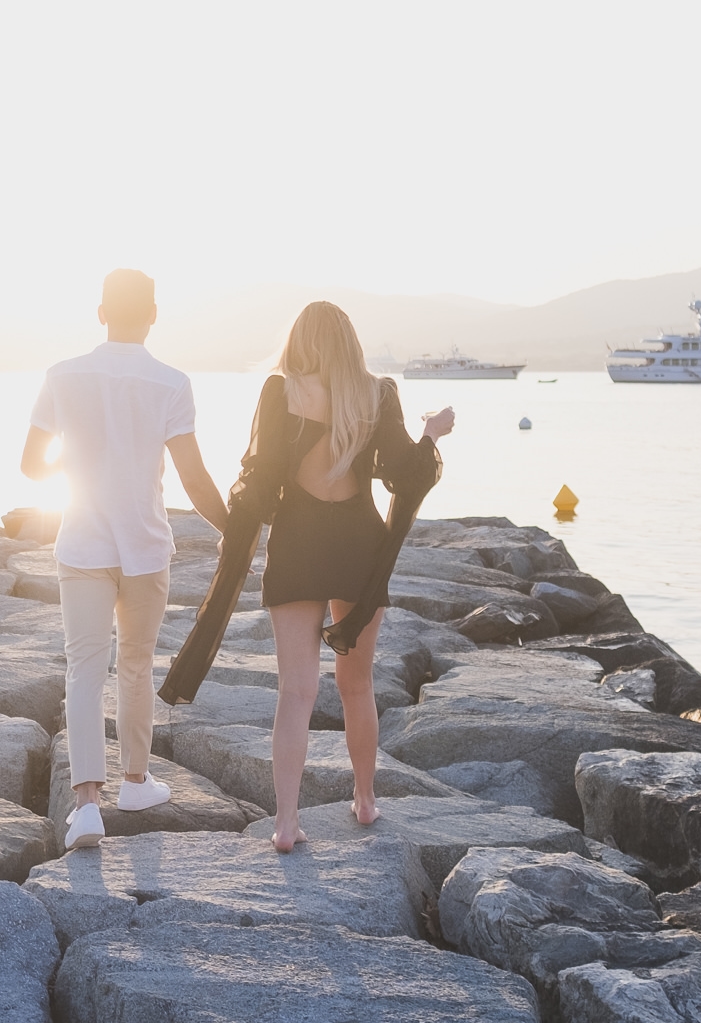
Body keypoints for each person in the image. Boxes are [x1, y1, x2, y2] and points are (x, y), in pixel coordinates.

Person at [163, 300, 451, 851]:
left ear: (300, 340)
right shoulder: (378, 394)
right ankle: (365, 801)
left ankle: (286, 823)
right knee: (358, 685)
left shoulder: (280, 392)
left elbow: (259, 476)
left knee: (295, 693)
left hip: (296, 546)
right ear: (349, 342)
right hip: (359, 550)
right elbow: (402, 475)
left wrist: (237, 530)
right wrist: (432, 434)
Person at [22, 269, 229, 851]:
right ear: (155, 314)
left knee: (85, 669)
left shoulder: (62, 377)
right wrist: (235, 532)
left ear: (100, 312)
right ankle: (136, 781)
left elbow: (33, 466)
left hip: (83, 544)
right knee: (136, 663)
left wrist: (82, 457)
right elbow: (193, 475)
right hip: (144, 547)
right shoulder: (171, 383)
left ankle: (87, 806)